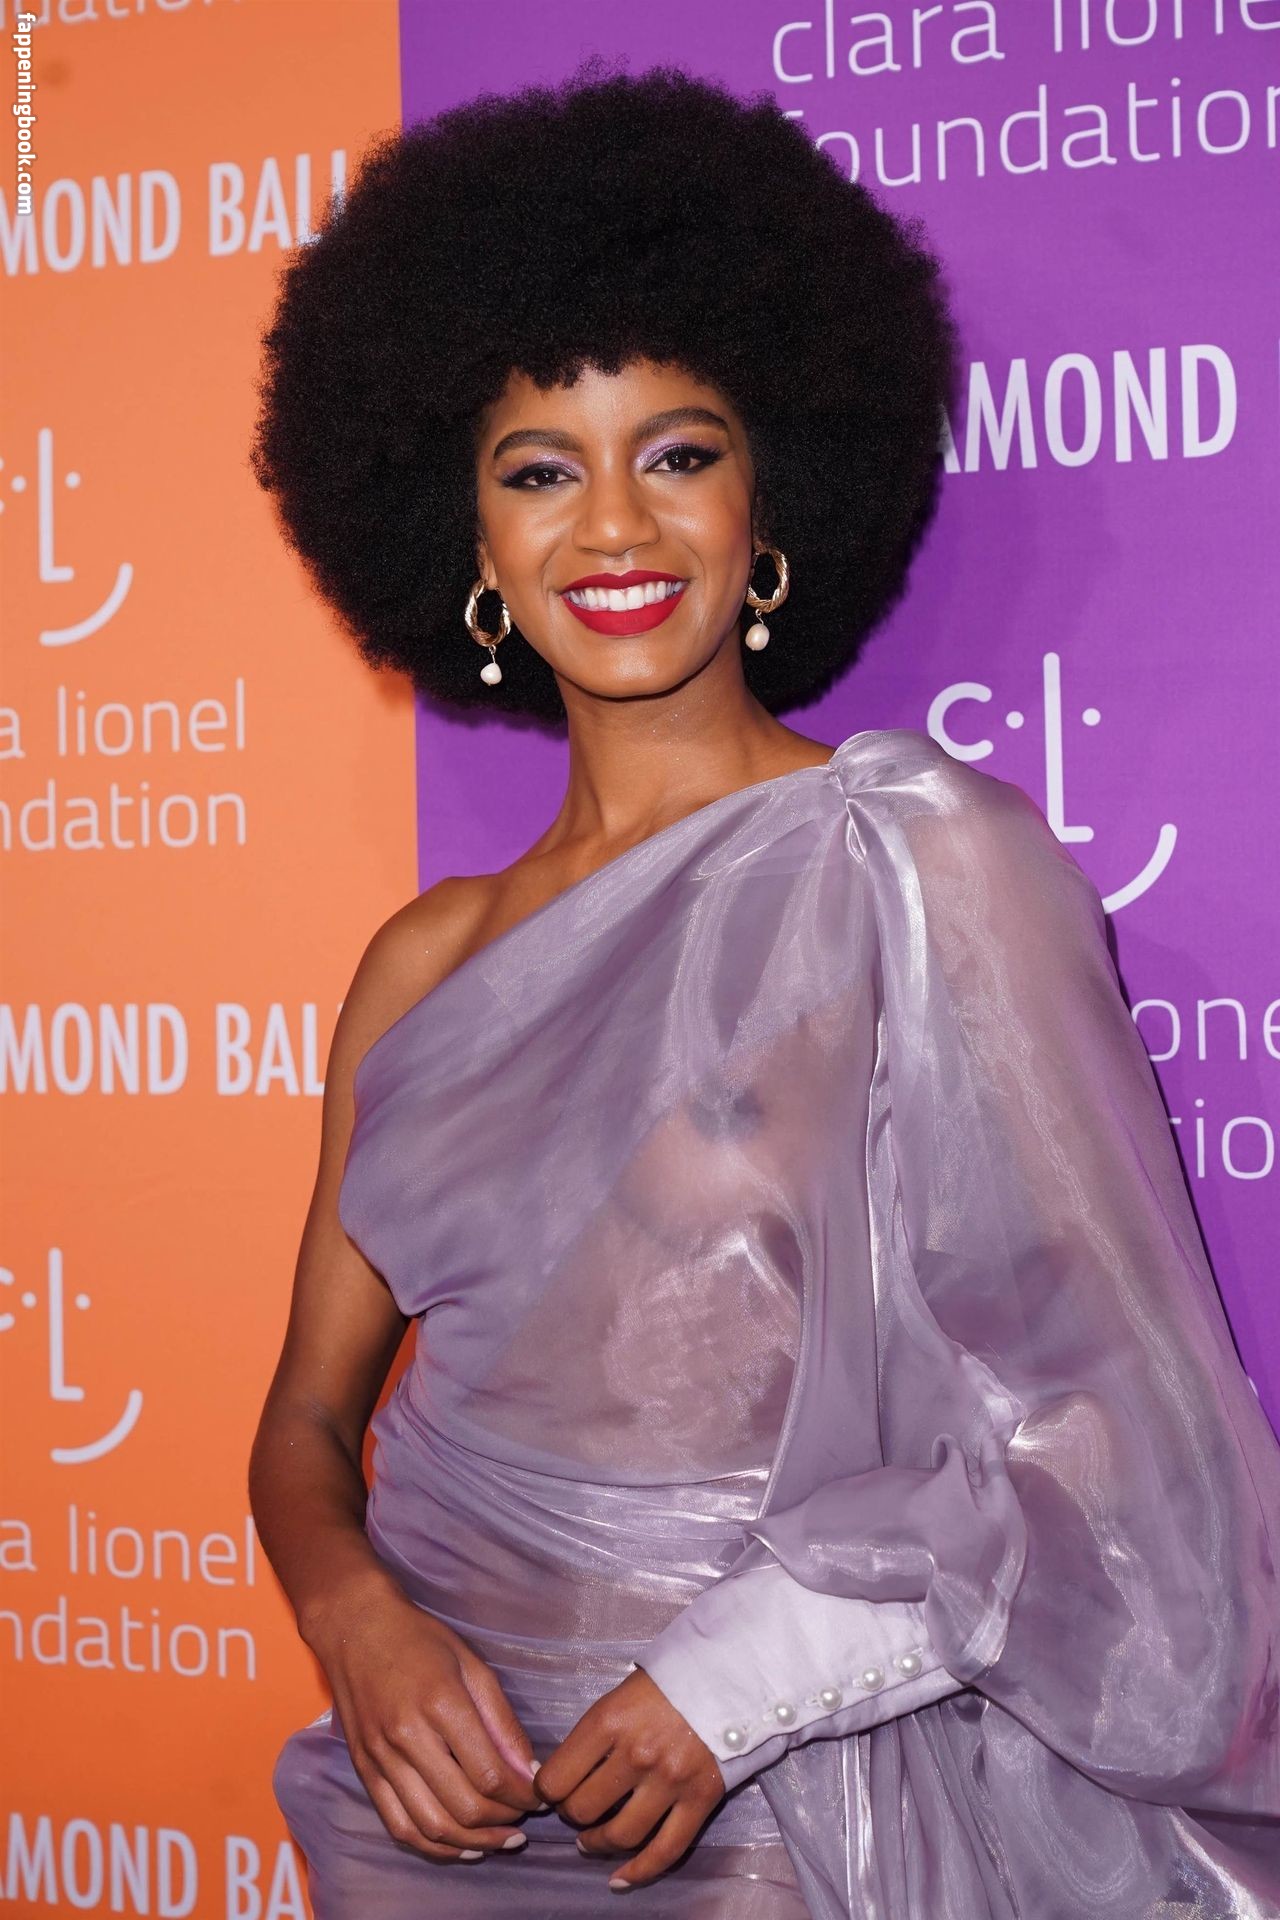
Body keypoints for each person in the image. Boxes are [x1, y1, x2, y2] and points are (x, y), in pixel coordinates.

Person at [246, 60, 1280, 1920]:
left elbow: (1119, 1431)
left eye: (680, 452)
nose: (612, 528)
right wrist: (351, 1619)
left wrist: (742, 1683)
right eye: (540, 469)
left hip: (776, 1821)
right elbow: (308, 1426)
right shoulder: (423, 957)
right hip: (431, 1826)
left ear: (767, 496)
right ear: (466, 539)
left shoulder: (917, 860)